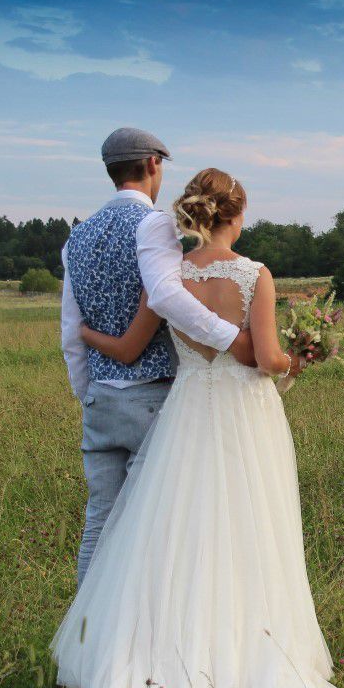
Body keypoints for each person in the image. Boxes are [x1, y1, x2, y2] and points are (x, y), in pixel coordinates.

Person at [50, 167, 344, 688]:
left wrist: (82, 333)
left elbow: (132, 348)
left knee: (176, 536)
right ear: (237, 216)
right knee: (250, 531)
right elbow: (266, 360)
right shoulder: (254, 276)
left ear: (194, 216)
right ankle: (247, 660)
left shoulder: (167, 279)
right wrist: (303, 356)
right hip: (244, 417)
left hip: (185, 415)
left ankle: (162, 653)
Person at [61, 128, 259, 584]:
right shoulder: (152, 225)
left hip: (101, 400)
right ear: (153, 165)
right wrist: (232, 339)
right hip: (151, 396)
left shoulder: (78, 237)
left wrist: (87, 393)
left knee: (99, 524)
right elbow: (166, 296)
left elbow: (71, 331)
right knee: (153, 529)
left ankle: (85, 638)